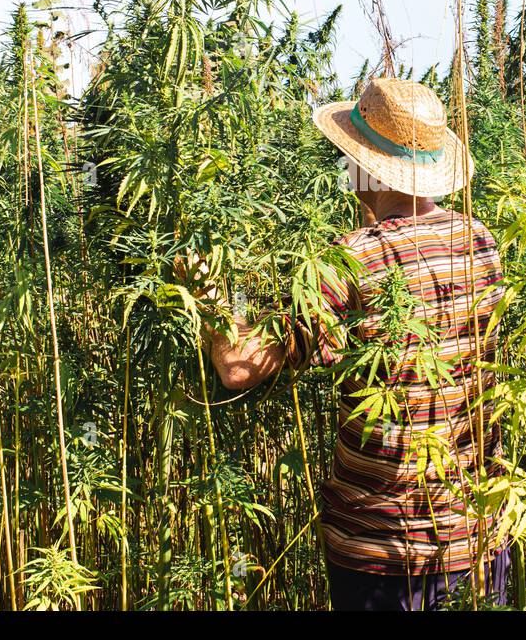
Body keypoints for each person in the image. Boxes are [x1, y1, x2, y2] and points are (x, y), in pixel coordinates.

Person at [202, 76, 508, 610]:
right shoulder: (479, 242)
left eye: (349, 156)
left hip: (383, 551)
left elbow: (240, 367)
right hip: (478, 534)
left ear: (367, 167)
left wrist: (215, 299)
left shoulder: (353, 259)